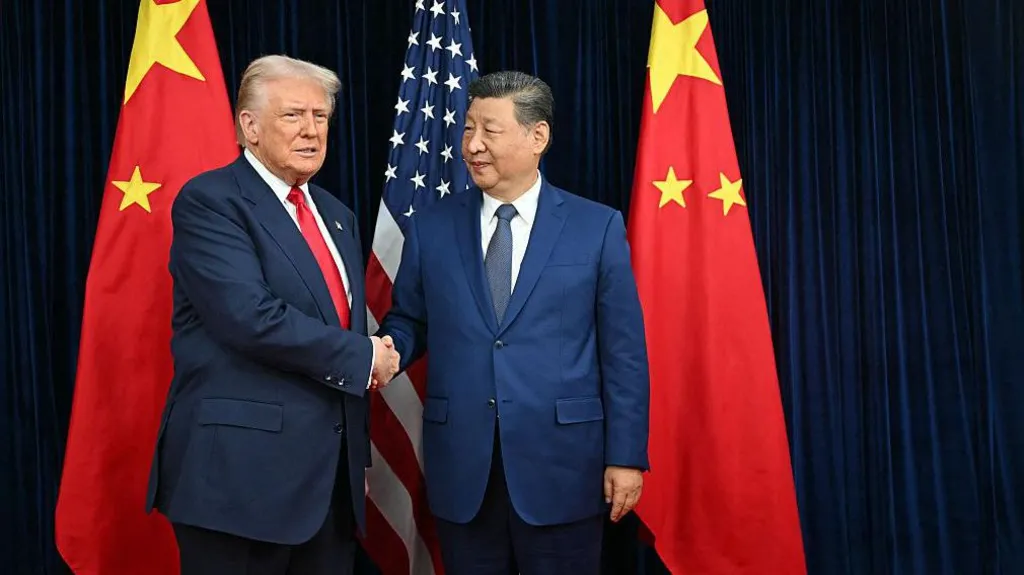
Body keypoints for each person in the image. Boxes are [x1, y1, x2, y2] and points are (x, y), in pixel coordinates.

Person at [378, 70, 650, 574]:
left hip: (564, 467)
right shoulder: (432, 226)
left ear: (537, 136)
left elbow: (624, 352)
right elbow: (409, 319)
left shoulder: (597, 227)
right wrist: (384, 349)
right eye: (467, 129)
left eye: (489, 130)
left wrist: (626, 456)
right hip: (464, 468)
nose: (472, 145)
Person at [146, 55, 399, 575]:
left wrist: (353, 459)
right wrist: (365, 355)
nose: (311, 131)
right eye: (293, 116)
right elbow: (249, 317)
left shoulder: (337, 216)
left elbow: (337, 325)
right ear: (249, 126)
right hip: (239, 484)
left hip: (328, 489)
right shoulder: (211, 201)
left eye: (321, 117)